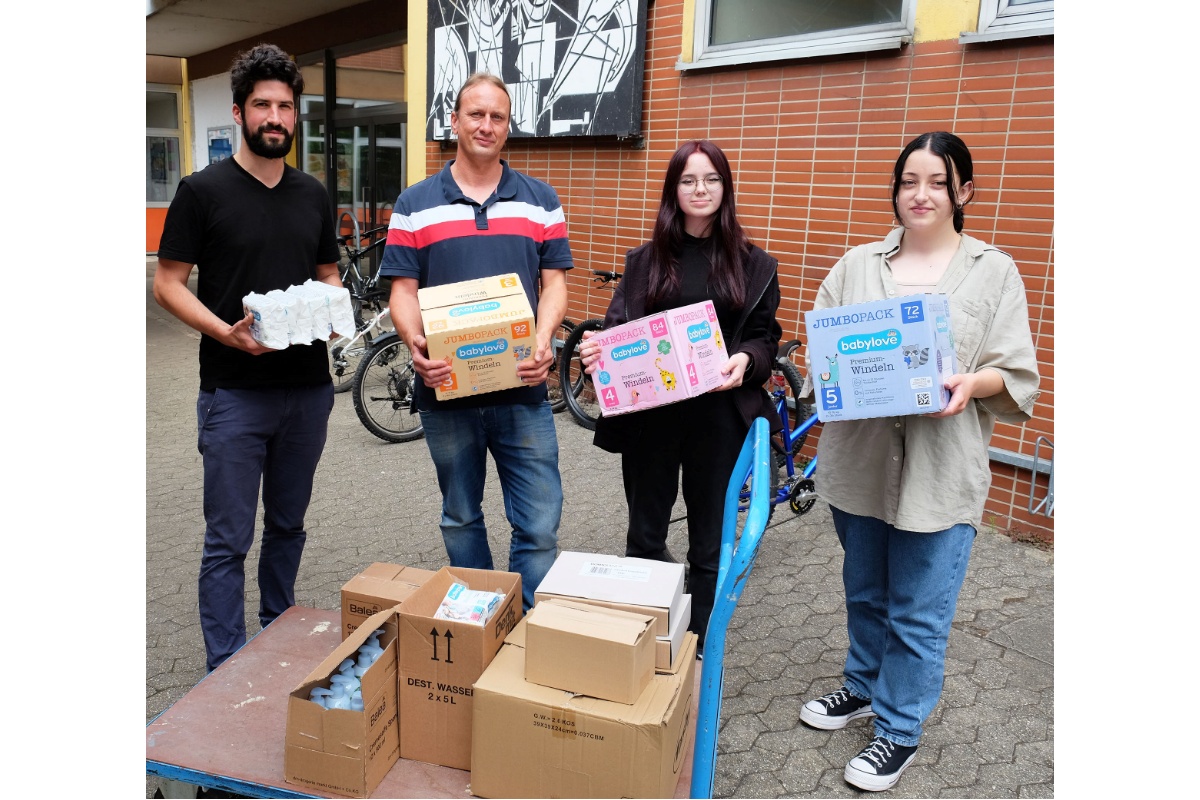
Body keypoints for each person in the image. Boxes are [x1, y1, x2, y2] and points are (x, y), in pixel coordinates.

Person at [797, 132, 1040, 792]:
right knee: (866, 593)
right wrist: (834, 373)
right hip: (862, 465)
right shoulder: (856, 266)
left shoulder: (993, 271)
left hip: (941, 473)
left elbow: (1014, 372)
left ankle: (899, 729)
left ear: (963, 191)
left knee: (919, 611)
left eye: (937, 181)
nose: (921, 193)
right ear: (896, 189)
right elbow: (822, 353)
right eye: (909, 181)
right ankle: (862, 687)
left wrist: (969, 385)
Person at [153, 43, 342, 672]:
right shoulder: (201, 191)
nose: (275, 117)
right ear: (239, 112)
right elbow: (170, 282)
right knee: (227, 541)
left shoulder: (312, 194)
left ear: (296, 117)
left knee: (289, 526)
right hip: (234, 394)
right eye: (263, 104)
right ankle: (225, 666)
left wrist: (332, 313)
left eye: (286, 106)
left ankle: (278, 630)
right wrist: (223, 334)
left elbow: (328, 274)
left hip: (308, 393)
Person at [577, 140, 782, 651]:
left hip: (718, 419)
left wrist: (749, 361)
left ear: (725, 187)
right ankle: (644, 638)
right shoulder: (645, 260)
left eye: (711, 179)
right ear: (674, 189)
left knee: (709, 542)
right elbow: (618, 327)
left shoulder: (755, 264)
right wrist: (596, 351)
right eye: (688, 180)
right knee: (645, 534)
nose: (700, 189)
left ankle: (698, 648)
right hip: (653, 419)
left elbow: (764, 336)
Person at [378, 72, 572, 612]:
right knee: (461, 515)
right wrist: (415, 340)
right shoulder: (415, 204)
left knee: (538, 523)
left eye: (498, 117)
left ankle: (531, 629)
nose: (487, 125)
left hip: (523, 391)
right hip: (446, 391)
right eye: (476, 114)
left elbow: (554, 284)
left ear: (508, 127)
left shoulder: (540, 200)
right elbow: (402, 290)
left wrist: (543, 340)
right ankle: (480, 624)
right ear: (455, 120)